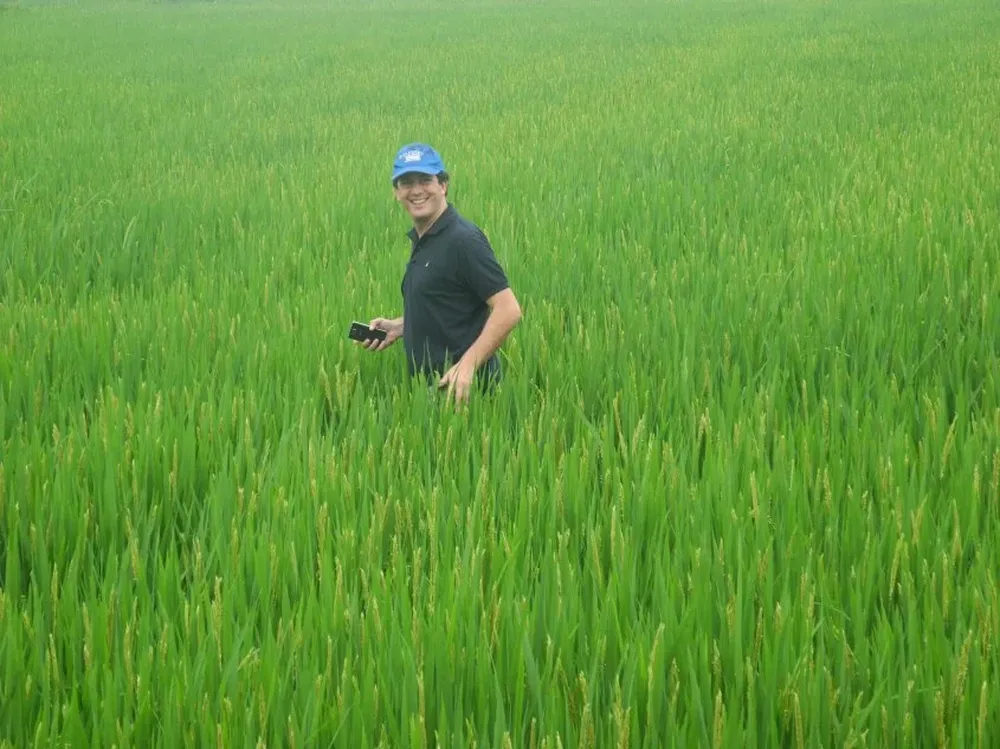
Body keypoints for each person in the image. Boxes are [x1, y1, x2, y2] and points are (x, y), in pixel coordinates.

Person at [359, 142, 522, 405]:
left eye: (425, 180)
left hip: (467, 395)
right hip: (430, 392)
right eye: (406, 182)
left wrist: (467, 366)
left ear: (443, 185)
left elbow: (509, 309)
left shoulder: (463, 241)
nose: (416, 190)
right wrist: (401, 326)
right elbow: (447, 302)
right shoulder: (425, 238)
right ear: (396, 192)